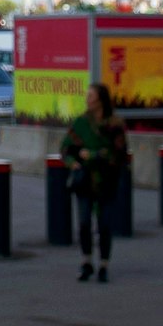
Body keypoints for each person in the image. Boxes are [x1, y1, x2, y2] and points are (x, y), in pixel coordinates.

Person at [61, 82, 128, 283]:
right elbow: (66, 148)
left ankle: (104, 264)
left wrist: (93, 155)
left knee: (105, 224)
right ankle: (86, 261)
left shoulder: (115, 124)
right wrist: (73, 163)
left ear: (101, 99)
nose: (87, 100)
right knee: (83, 222)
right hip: (84, 182)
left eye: (91, 96)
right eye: (87, 96)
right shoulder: (81, 123)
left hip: (106, 181)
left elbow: (119, 153)